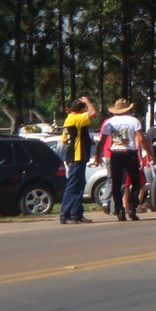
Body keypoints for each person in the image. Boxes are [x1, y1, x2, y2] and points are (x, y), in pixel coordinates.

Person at [93, 98, 151, 222]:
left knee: (116, 183)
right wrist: (150, 153)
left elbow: (102, 140)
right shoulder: (134, 120)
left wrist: (97, 155)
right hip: (130, 154)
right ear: (127, 109)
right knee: (136, 182)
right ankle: (132, 206)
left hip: (115, 154)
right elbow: (141, 139)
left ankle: (120, 210)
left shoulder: (110, 122)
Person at [60, 95, 97, 224]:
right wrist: (87, 100)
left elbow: (64, 139)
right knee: (72, 186)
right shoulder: (77, 118)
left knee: (79, 186)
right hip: (77, 157)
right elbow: (93, 113)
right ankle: (65, 215)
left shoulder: (69, 119)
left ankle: (76, 214)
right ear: (81, 110)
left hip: (75, 157)